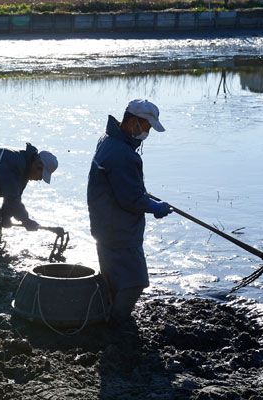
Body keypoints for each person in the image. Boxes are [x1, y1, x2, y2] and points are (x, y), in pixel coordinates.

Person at [87, 99, 172, 326]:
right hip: (119, 230)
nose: (147, 133)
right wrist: (153, 206)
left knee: (113, 279)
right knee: (135, 281)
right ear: (133, 122)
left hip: (104, 226)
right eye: (146, 127)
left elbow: (122, 186)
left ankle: (106, 316)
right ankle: (116, 323)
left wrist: (140, 193)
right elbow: (131, 199)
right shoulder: (123, 154)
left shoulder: (108, 140)